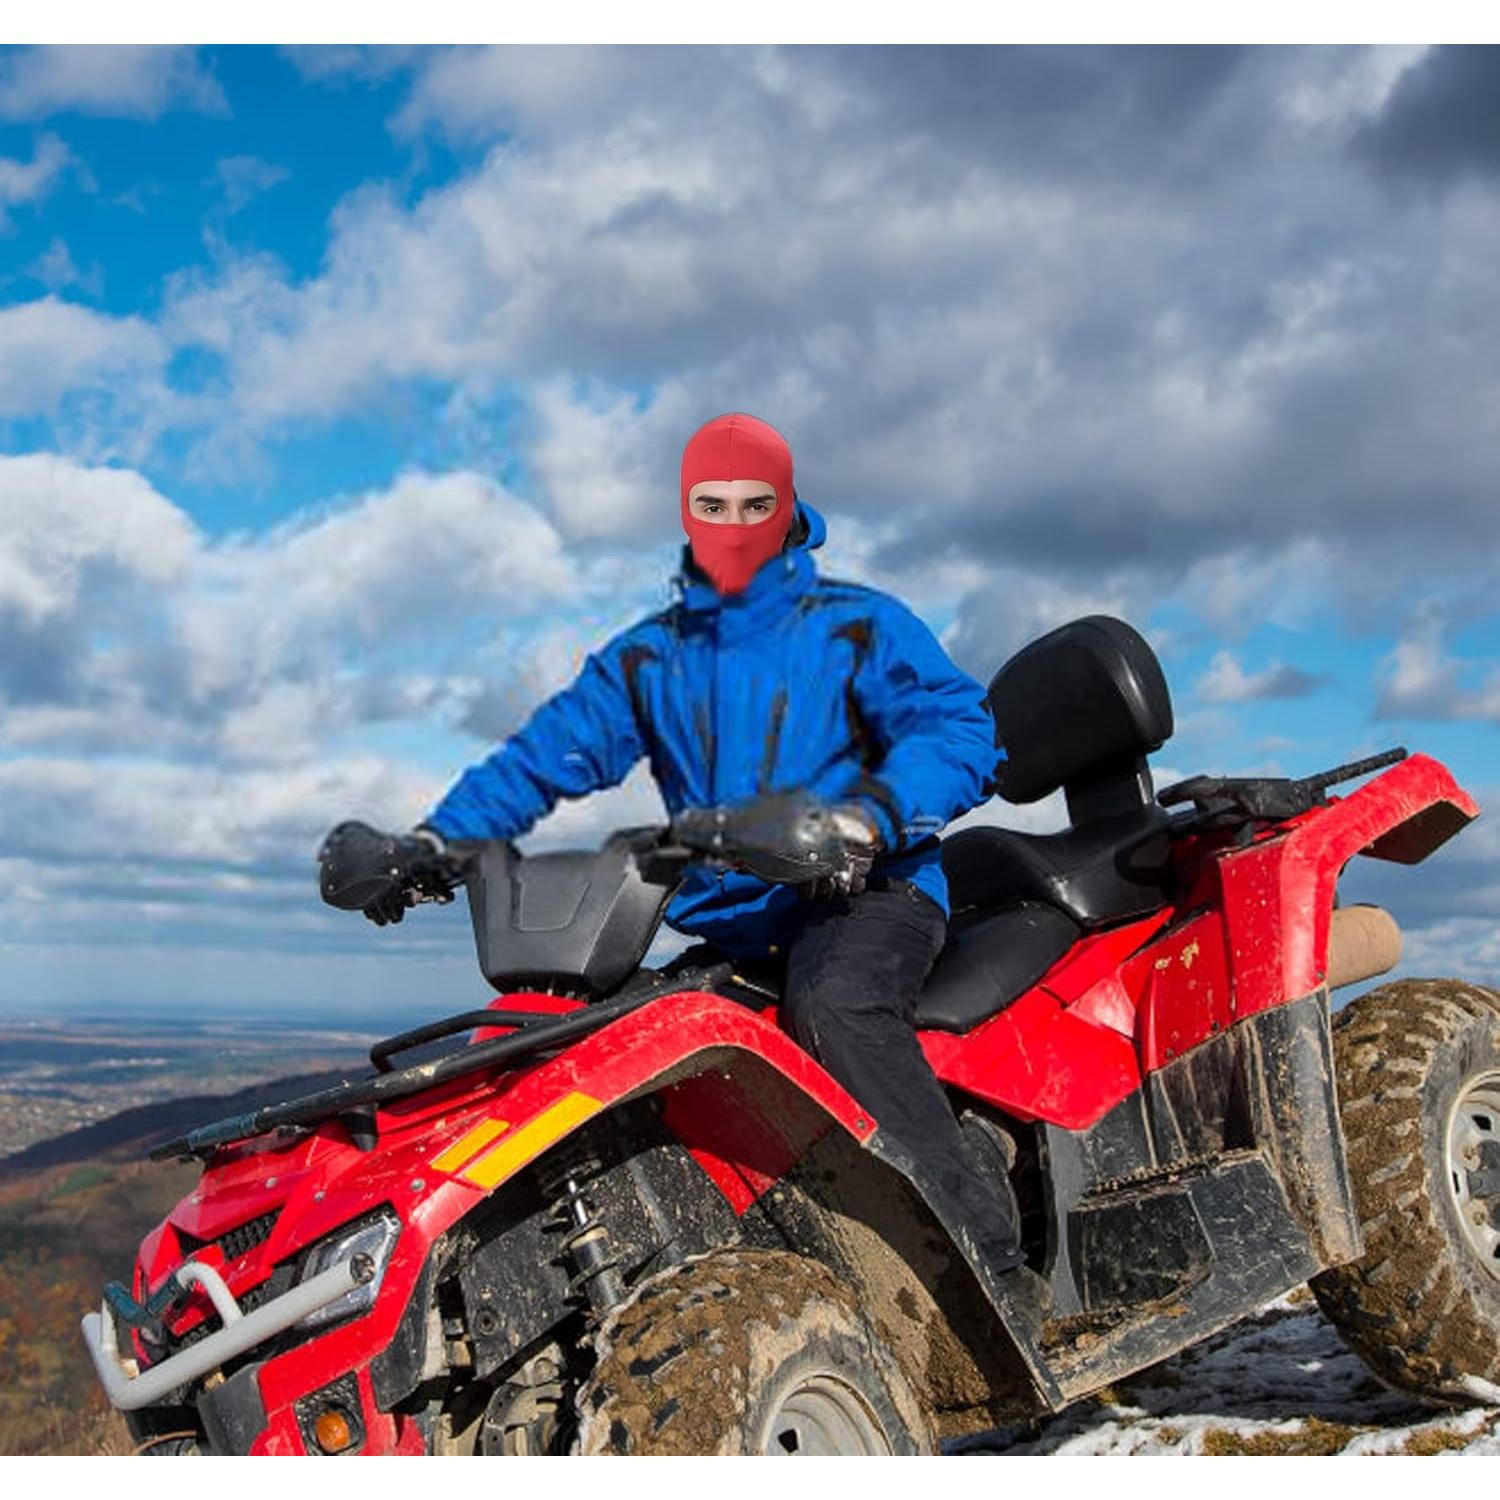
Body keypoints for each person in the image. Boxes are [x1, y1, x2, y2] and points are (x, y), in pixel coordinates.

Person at [375, 413, 1034, 1292]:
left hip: (866, 896)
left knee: (836, 1010)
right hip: (738, 925)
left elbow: (960, 732)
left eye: (756, 507)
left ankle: (984, 1267)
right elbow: (540, 758)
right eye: (715, 509)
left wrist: (866, 820)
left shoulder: (862, 629)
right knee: (593, 1044)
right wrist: (428, 844)